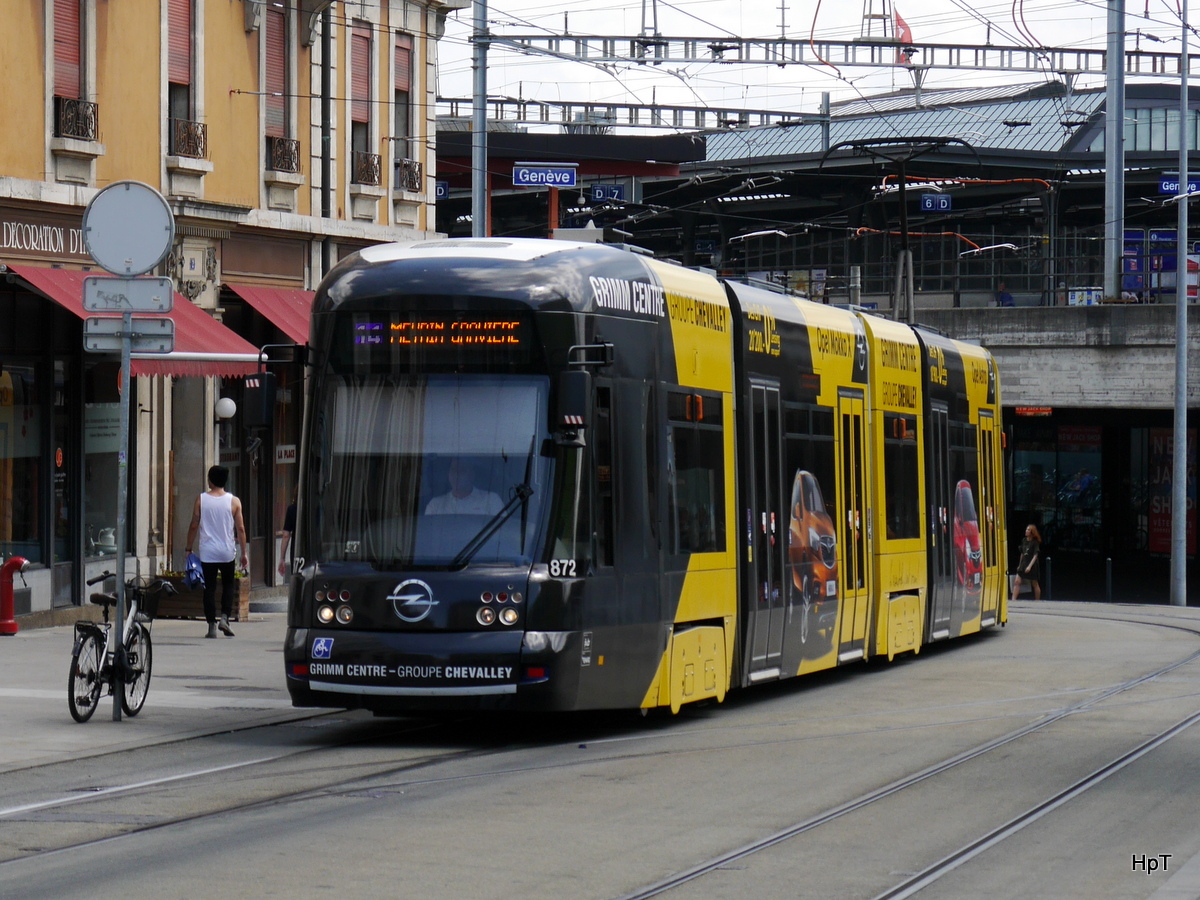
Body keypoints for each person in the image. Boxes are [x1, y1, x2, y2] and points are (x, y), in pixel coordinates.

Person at [185, 465, 249, 638]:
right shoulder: (234, 501)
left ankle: (211, 626)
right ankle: (225, 618)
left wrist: (188, 548)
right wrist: (243, 553)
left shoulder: (201, 499)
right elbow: (241, 529)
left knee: (210, 588)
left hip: (208, 552)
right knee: (228, 585)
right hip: (227, 551)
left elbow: (193, 524)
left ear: (210, 480)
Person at [425, 458, 503, 515]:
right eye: (453, 470)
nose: (456, 474)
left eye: (462, 470)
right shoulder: (435, 505)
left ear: (472, 475)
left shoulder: (491, 500)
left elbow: (502, 532)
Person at [1011, 523, 1042, 602]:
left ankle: (1037, 600)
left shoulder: (1035, 543)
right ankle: (1013, 599)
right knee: (1017, 581)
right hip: (1024, 563)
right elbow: (1022, 553)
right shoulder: (1024, 540)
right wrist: (1019, 564)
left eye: (1028, 530)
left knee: (1034, 583)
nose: (1026, 531)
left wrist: (1029, 566)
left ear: (1032, 532)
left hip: (1031, 564)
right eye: (1026, 529)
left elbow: (1035, 555)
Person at [278, 493, 296, 579]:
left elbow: (286, 535)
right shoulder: (318, 507)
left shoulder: (292, 509)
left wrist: (282, 558)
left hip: (297, 551)